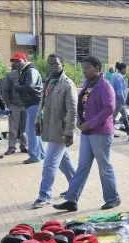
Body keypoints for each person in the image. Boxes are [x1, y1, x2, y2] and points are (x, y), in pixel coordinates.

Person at [53, 56, 120, 211]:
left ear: (97, 69)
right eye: (83, 68)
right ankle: (71, 200)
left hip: (100, 133)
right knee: (82, 167)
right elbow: (82, 105)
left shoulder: (105, 86)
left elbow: (109, 108)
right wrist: (80, 120)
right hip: (87, 133)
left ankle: (113, 198)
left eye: (87, 68)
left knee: (104, 166)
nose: (84, 71)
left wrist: (89, 123)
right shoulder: (88, 85)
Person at [31, 54, 77, 209]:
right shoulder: (48, 82)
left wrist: (69, 132)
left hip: (61, 131)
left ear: (62, 65)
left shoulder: (67, 84)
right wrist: (37, 121)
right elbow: (41, 105)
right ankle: (75, 187)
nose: (51, 67)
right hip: (49, 128)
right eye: (49, 64)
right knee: (65, 163)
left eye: (55, 64)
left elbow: (72, 111)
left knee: (49, 164)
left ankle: (44, 196)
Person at [12, 53, 45, 164]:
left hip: (34, 103)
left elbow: (30, 86)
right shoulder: (26, 71)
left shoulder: (30, 71)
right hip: (33, 104)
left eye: (18, 60)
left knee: (30, 131)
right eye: (14, 61)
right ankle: (40, 154)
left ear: (25, 60)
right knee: (35, 131)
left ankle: (35, 156)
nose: (15, 63)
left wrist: (17, 86)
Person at [2, 62, 28, 155]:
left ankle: (24, 146)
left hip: (26, 106)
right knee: (13, 128)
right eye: (16, 63)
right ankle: (11, 147)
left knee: (25, 128)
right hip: (14, 105)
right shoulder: (10, 75)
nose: (17, 64)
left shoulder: (29, 73)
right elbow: (4, 90)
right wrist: (9, 104)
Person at [111, 62, 129, 137]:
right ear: (123, 69)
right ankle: (110, 132)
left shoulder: (117, 76)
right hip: (118, 100)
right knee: (113, 116)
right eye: (126, 69)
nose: (126, 71)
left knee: (125, 115)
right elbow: (119, 91)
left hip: (119, 99)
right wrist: (123, 100)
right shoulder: (118, 77)